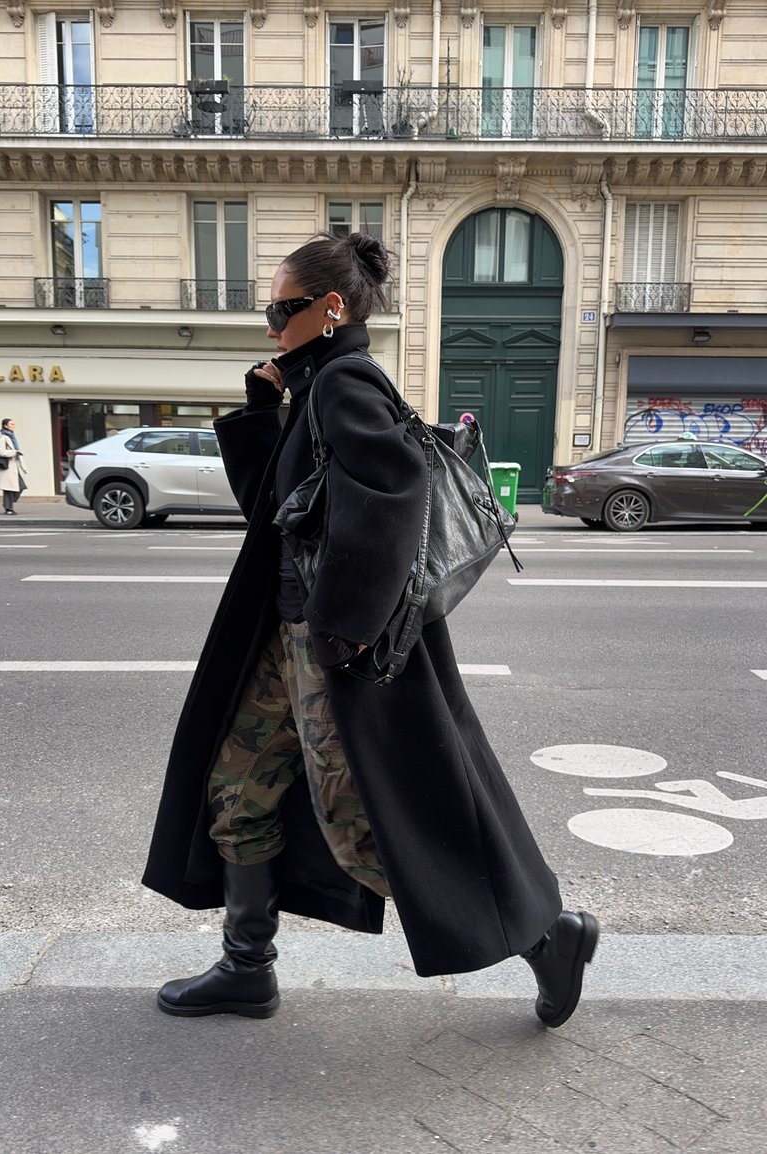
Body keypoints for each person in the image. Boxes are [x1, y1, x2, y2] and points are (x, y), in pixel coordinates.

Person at [143, 232, 599, 1027]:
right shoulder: (311, 385)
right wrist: (262, 412)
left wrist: (344, 628)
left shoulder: (346, 380)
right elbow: (272, 516)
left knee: (369, 828)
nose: (270, 324)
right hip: (281, 644)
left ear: (329, 308)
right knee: (237, 790)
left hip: (331, 649)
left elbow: (397, 488)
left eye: (280, 309)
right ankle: (248, 966)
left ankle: (548, 935)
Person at [0, 418, 27, 514]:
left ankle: (7, 504)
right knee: (8, 488)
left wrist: (23, 466)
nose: (13, 425)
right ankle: (8, 508)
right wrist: (14, 452)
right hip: (7, 467)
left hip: (14, 466)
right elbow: (0, 452)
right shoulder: (3, 437)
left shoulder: (12, 437)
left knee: (20, 486)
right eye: (11, 424)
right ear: (5, 426)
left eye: (14, 424)